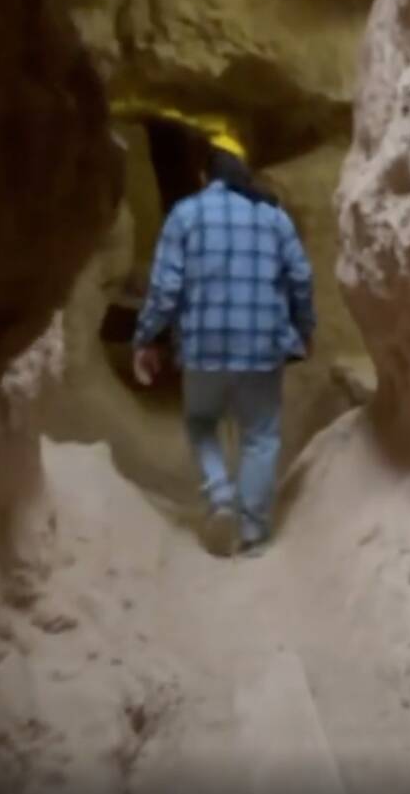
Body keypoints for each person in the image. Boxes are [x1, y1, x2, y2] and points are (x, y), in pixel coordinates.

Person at [132, 145, 315, 558]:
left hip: (203, 345)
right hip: (262, 345)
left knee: (200, 422)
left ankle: (219, 493)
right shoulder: (273, 217)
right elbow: (301, 279)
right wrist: (304, 330)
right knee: (260, 436)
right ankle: (252, 535)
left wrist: (146, 338)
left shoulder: (185, 215)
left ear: (204, 177)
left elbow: (165, 289)